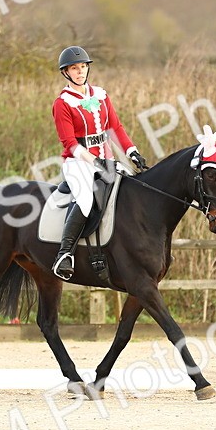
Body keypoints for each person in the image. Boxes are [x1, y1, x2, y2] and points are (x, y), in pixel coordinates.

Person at [51, 45, 149, 280]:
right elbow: (70, 144)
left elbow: (115, 128)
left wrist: (132, 152)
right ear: (66, 72)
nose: (80, 71)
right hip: (78, 162)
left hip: (107, 159)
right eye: (74, 68)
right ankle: (64, 255)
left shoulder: (101, 96)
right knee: (85, 200)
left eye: (83, 67)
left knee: (133, 188)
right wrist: (94, 161)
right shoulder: (62, 103)